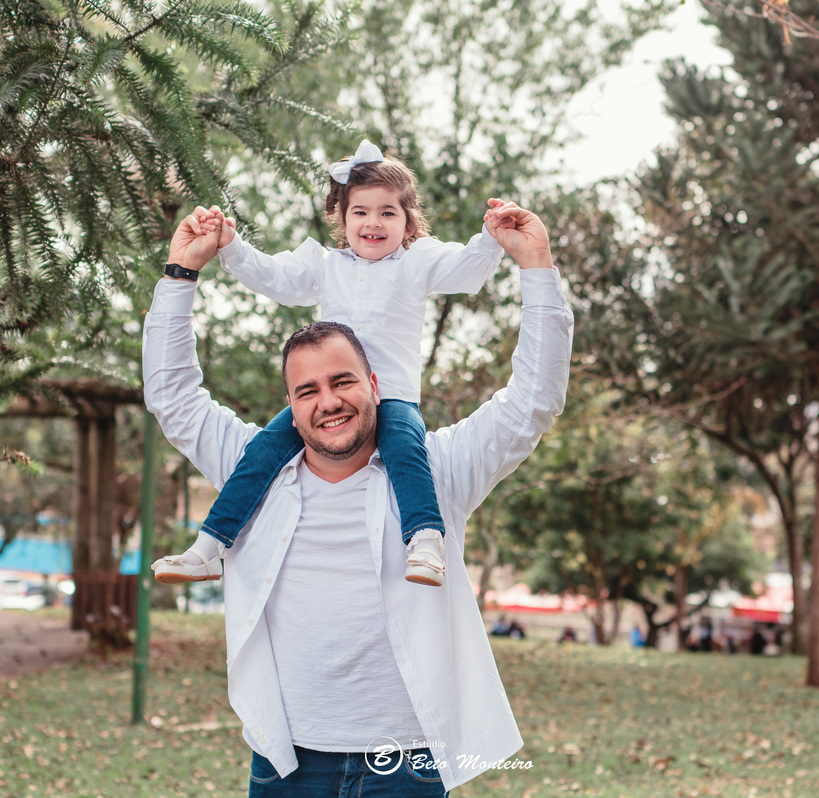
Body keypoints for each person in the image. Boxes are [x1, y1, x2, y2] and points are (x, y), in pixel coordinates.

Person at [143, 196, 572, 794]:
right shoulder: (254, 475)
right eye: (307, 390)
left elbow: (533, 401)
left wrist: (536, 268)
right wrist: (180, 275)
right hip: (286, 757)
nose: (328, 402)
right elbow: (174, 398)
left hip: (408, 761)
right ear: (289, 407)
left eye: (343, 381)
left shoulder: (438, 470)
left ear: (374, 384)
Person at [151, 140, 506, 588]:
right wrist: (231, 244)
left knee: (405, 450)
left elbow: (465, 269)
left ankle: (426, 542)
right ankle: (209, 547)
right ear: (342, 217)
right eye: (360, 211)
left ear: (408, 221)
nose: (373, 222)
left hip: (391, 394)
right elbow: (273, 277)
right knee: (261, 452)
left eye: (387, 213)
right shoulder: (325, 265)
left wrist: (491, 237)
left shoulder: (417, 262)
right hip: (329, 393)